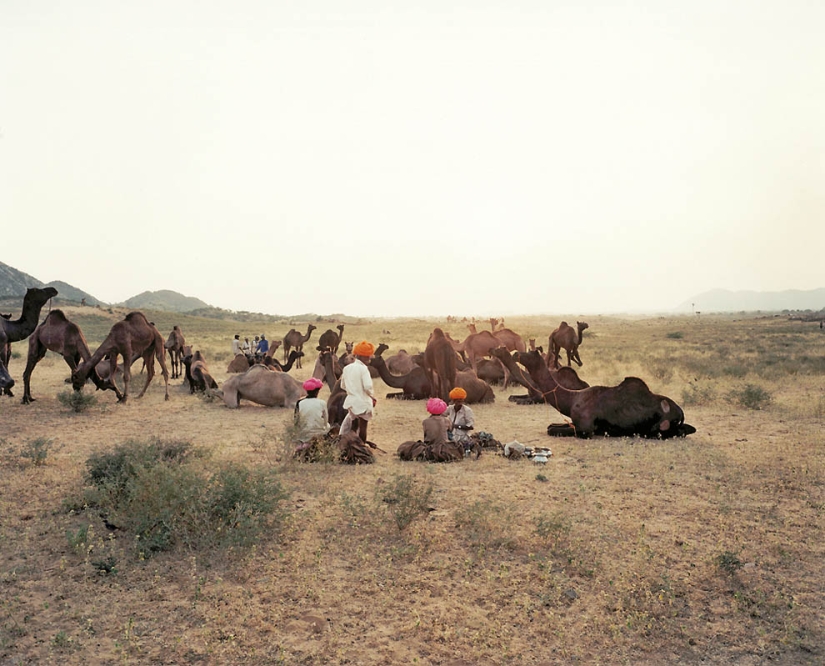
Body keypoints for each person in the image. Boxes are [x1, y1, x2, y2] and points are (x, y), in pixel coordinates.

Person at [397, 398, 463, 462]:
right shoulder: (446, 421)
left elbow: (426, 437)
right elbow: (450, 431)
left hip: (430, 448)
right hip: (444, 448)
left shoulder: (425, 422)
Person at [339, 340, 376, 443]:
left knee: (353, 426)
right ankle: (361, 447)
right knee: (363, 427)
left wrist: (352, 390)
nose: (369, 358)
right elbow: (368, 386)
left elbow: (342, 385)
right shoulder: (363, 369)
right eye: (368, 356)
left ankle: (351, 446)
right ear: (362, 356)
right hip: (363, 402)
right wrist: (372, 396)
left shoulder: (347, 369)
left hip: (351, 402)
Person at [294, 377, 331, 448]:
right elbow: (326, 422)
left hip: (303, 435)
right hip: (319, 434)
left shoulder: (299, 403)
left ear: (306, 391)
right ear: (317, 391)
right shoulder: (322, 403)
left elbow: (296, 422)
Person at [446, 387, 475, 454]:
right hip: (450, 435)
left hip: (462, 436)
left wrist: (456, 426)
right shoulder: (450, 408)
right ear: (453, 401)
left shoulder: (467, 410)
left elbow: (471, 426)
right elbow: (441, 414)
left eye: (461, 401)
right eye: (458, 401)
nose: (460, 403)